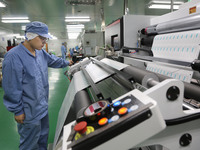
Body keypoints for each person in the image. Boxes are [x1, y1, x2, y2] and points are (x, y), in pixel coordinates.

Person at [2, 21, 73, 150]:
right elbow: (11, 87)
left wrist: (67, 62)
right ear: (29, 35)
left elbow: (53, 60)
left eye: (45, 38)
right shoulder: (13, 57)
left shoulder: (40, 52)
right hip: (28, 111)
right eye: (41, 38)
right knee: (29, 143)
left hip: (42, 106)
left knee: (42, 138)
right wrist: (17, 110)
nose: (44, 41)